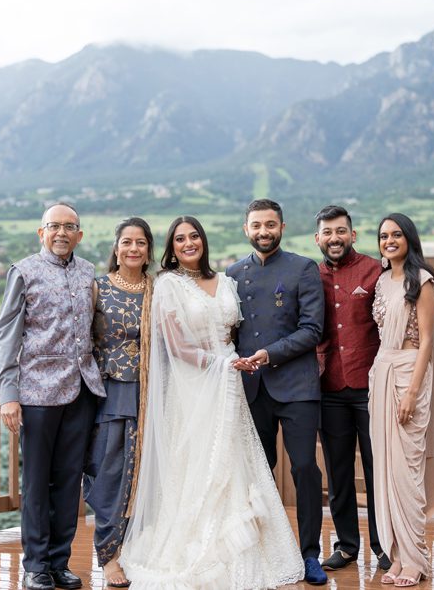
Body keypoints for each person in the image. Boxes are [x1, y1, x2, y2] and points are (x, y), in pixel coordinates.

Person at [120, 216, 304, 590]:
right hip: (196, 384)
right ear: (171, 248)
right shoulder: (169, 286)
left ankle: (250, 551)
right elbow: (177, 346)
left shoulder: (227, 282)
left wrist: (234, 363)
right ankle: (197, 549)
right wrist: (219, 364)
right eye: (180, 239)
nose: (188, 243)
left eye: (194, 236)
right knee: (198, 462)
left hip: (231, 380)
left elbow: (236, 332)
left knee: (237, 459)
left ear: (203, 241)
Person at [0, 202, 103, 590]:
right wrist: (9, 395)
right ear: (41, 233)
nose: (61, 232)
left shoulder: (90, 271)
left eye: (69, 226)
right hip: (38, 392)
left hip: (82, 390)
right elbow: (6, 336)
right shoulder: (23, 271)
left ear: (80, 234)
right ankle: (36, 565)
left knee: (70, 480)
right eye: (53, 226)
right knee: (37, 483)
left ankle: (60, 562)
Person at [226, 198, 327, 586]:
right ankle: (265, 549)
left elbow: (312, 329)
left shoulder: (303, 269)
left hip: (297, 387)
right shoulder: (233, 273)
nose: (263, 232)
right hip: (251, 390)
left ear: (282, 227)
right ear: (246, 229)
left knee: (304, 468)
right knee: (257, 473)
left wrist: (269, 355)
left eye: (270, 225)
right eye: (256, 225)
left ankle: (310, 553)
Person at [369, 213, 434, 587]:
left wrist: (412, 392)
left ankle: (416, 559)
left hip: (408, 376)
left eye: (396, 234)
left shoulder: (422, 281)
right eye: (383, 236)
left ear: (409, 239)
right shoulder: (382, 280)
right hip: (381, 373)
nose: (389, 240)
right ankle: (398, 555)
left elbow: (426, 345)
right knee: (385, 469)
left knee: (407, 472)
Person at [312, 205, 390, 574]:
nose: (334, 238)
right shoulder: (311, 276)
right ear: (318, 239)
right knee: (338, 471)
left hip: (371, 385)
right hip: (329, 386)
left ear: (353, 235)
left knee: (378, 470)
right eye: (327, 232)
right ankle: (346, 546)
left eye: (341, 231)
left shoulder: (376, 270)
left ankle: (384, 545)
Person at [83, 217, 154, 589]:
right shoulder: (98, 288)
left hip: (153, 391)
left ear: (149, 249)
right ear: (116, 247)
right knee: (111, 471)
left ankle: (141, 550)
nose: (133, 249)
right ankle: (108, 556)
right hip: (111, 390)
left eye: (140, 243)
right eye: (127, 242)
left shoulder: (158, 289)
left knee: (148, 473)